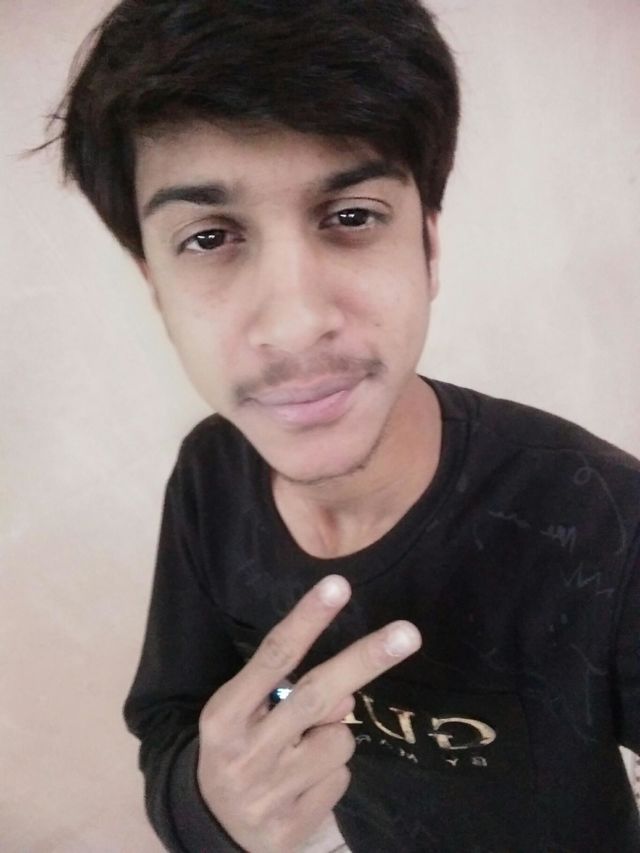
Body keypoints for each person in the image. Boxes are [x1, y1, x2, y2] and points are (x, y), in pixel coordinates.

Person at [32, 0, 640, 850]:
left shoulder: (606, 518)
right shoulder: (210, 477)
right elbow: (172, 717)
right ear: (154, 287)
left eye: (351, 215)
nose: (294, 325)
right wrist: (210, 807)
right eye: (208, 237)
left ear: (429, 248)